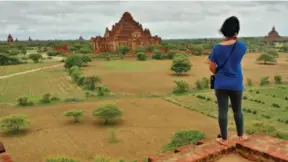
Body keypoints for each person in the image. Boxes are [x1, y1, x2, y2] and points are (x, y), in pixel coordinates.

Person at [208, 16, 248, 145]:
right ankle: (240, 136)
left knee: (222, 111)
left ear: (223, 30)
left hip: (220, 83)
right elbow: (238, 52)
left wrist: (217, 72)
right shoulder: (241, 46)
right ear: (236, 31)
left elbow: (212, 68)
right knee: (238, 110)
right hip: (236, 83)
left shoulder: (217, 48)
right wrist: (235, 38)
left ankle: (223, 138)